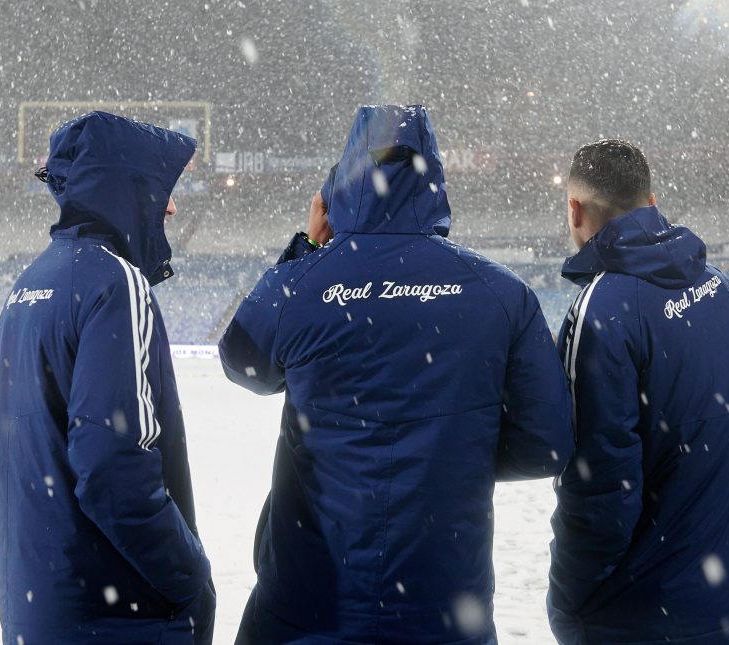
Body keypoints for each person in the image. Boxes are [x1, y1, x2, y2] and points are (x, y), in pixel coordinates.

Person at [219, 104, 574, 644]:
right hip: (444, 604)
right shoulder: (503, 295)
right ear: (433, 179)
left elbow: (244, 362)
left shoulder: (302, 283)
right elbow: (547, 444)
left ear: (341, 183)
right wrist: (453, 450)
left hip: (308, 604)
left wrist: (309, 248)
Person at [548, 139, 729, 644]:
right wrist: (712, 449)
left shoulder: (600, 309)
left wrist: (569, 600)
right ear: (651, 202)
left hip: (655, 612)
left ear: (574, 210)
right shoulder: (718, 283)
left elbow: (600, 485)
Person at [0, 111, 215, 644]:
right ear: (128, 190)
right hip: (115, 617)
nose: (173, 207)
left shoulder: (26, 288)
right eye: (164, 191)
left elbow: (2, 441)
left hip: (36, 609)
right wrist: (190, 578)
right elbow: (112, 467)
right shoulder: (116, 283)